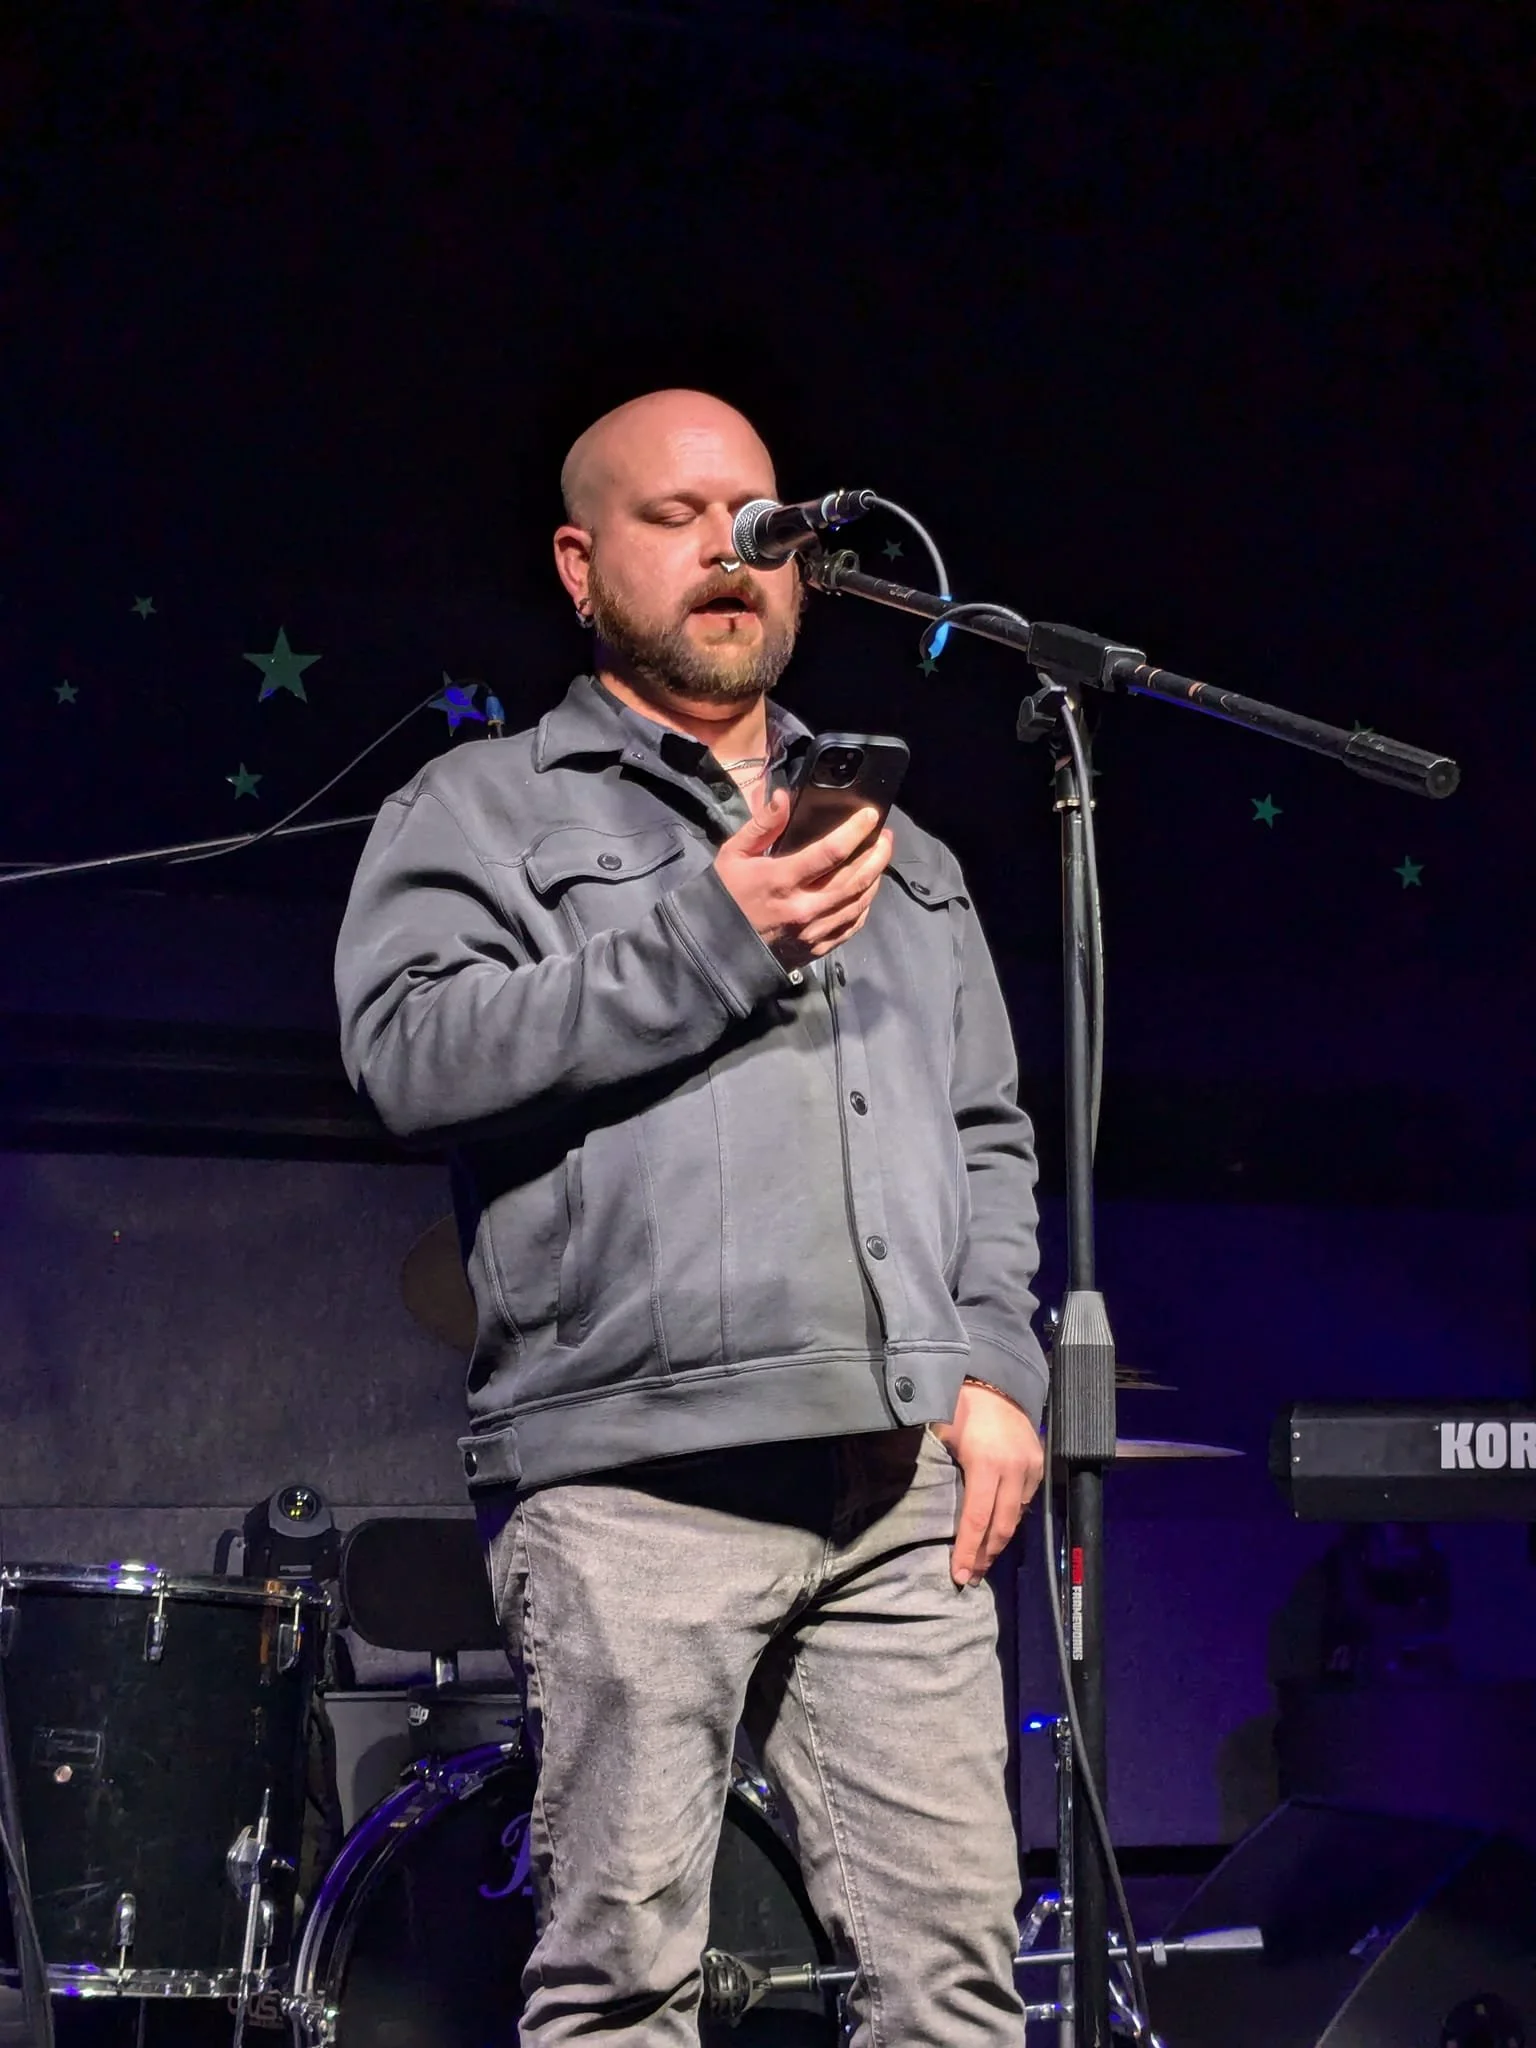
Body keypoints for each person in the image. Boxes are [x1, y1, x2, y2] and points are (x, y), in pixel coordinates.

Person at [335, 389, 1050, 2046]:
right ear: (584, 566)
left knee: (955, 1986)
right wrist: (712, 935)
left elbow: (986, 1135)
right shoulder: (483, 812)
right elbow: (410, 1055)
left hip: (894, 1493)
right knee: (624, 1989)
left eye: (761, 519)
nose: (733, 550)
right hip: (631, 1490)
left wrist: (997, 1367)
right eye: (676, 517)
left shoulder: (908, 851)